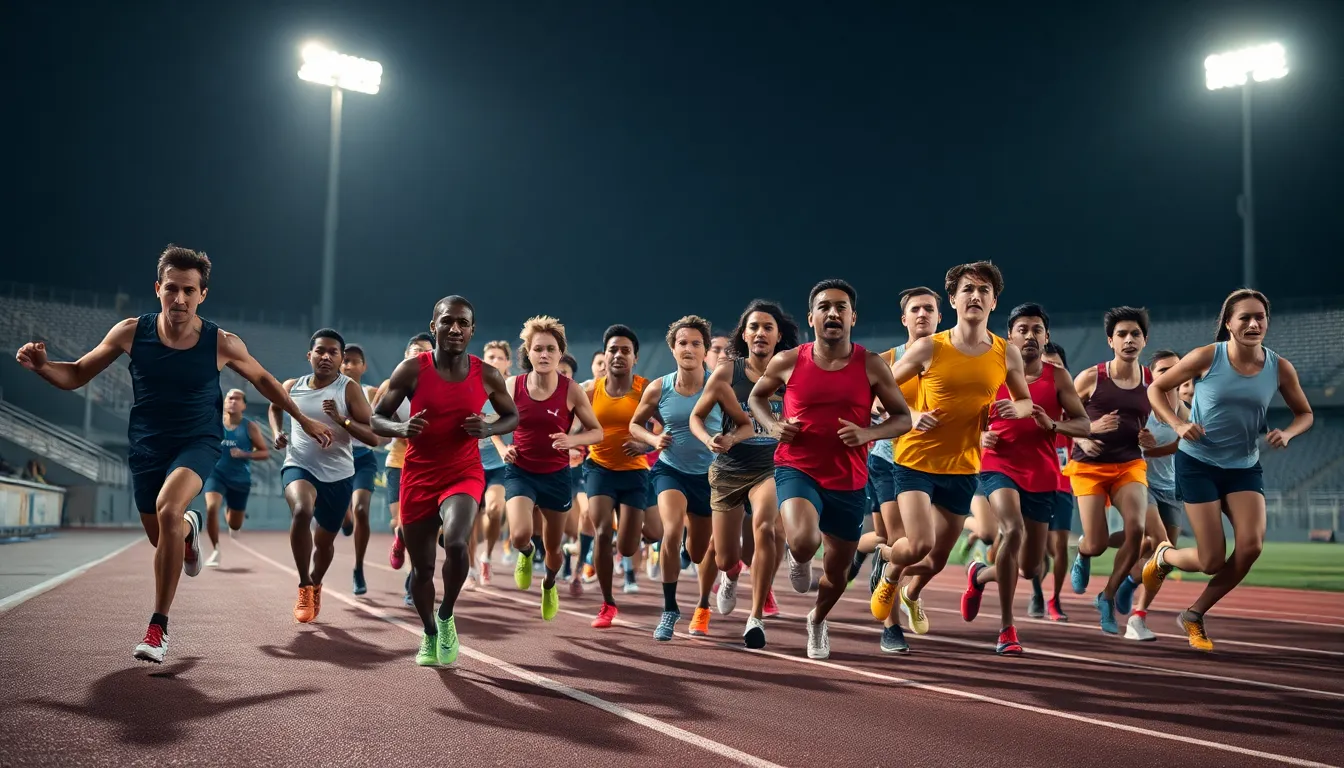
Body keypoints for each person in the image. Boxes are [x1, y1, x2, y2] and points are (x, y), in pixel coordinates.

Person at [14, 245, 332, 663]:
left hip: (198, 440)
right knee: (161, 533)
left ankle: (158, 627)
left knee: (167, 511)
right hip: (146, 445)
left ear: (203, 294)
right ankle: (190, 528)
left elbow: (266, 382)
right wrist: (43, 366)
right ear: (157, 289)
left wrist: (303, 420)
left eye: (188, 290)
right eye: (171, 289)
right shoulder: (130, 332)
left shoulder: (222, 342)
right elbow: (76, 373)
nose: (179, 299)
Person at [749, 279, 912, 659]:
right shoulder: (789, 361)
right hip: (797, 467)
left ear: (853, 317)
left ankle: (818, 619)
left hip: (849, 479)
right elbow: (757, 397)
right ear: (812, 317)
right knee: (805, 539)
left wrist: (869, 432)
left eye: (841, 307)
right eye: (824, 307)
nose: (833, 313)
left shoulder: (871, 365)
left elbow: (902, 418)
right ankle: (799, 552)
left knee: (837, 572)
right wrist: (773, 426)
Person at [1142, 289, 1313, 651]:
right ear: (1228, 324)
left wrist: (1289, 432)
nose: (1253, 323)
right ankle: (1165, 556)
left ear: (1267, 322)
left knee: (1250, 546)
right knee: (1211, 559)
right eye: (1245, 317)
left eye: (1260, 317)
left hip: (1243, 467)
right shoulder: (1208, 356)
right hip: (1198, 463)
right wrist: (1176, 423)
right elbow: (1157, 388)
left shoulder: (1279, 367)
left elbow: (1306, 413)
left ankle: (1194, 614)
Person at [872, 262, 1034, 640]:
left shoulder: (1005, 353)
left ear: (994, 302)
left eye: (983, 290)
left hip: (963, 465)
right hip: (914, 459)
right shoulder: (931, 347)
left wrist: (1017, 408)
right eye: (967, 289)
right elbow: (880, 391)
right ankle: (890, 570)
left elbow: (1025, 401)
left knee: (938, 558)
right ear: (954, 299)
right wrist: (911, 414)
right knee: (918, 544)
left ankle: (911, 593)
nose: (975, 295)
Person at [371, 296, 518, 666]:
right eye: (448, 322)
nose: (455, 329)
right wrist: (401, 427)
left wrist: (488, 428)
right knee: (421, 570)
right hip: (418, 475)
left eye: (463, 323)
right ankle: (429, 632)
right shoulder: (411, 370)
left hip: (463, 471)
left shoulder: (485, 373)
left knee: (455, 543)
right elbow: (377, 419)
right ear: (434, 325)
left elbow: (511, 416)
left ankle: (447, 614)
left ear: (472, 330)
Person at [958, 303, 1096, 654]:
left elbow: (1084, 424)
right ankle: (1006, 628)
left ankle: (979, 574)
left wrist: (1054, 425)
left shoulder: (1058, 377)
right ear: (1010, 336)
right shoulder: (990, 374)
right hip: (998, 463)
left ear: (1046, 337)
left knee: (1030, 567)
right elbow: (961, 417)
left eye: (1037, 329)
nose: (1030, 335)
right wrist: (978, 437)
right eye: (1023, 329)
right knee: (1012, 529)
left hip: (1042, 472)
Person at [691, 299, 799, 648]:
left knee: (766, 528)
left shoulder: (792, 373)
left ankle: (755, 618)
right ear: (745, 334)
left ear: (778, 335)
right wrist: (709, 438)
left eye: (768, 327)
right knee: (725, 556)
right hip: (728, 469)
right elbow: (697, 416)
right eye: (753, 327)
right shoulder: (727, 373)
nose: (760, 333)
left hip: (771, 466)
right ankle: (731, 575)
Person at [270, 329, 379, 623]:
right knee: (302, 511)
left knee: (325, 544)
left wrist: (340, 419)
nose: (326, 357)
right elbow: (274, 405)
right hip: (299, 465)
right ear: (310, 355)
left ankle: (316, 581)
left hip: (339, 475)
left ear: (341, 358)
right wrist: (278, 433)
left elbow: (373, 438)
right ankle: (304, 584)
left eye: (333, 352)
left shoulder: (349, 390)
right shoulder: (292, 386)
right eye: (320, 351)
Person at [500, 316, 603, 620]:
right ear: (528, 353)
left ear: (560, 354)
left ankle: (548, 583)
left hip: (557, 476)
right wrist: (503, 446)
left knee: (554, 550)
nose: (544, 355)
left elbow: (597, 432)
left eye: (551, 349)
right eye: (538, 349)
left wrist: (572, 440)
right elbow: (494, 424)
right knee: (519, 535)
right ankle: (525, 554)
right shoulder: (512, 385)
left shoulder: (572, 390)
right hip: (521, 471)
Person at [630, 315, 726, 641]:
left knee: (698, 552)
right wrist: (654, 441)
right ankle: (669, 609)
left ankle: (687, 553)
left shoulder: (718, 386)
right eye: (682, 343)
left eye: (695, 343)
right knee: (670, 530)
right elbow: (635, 424)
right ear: (673, 349)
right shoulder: (658, 387)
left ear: (705, 349)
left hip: (709, 476)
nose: (688, 348)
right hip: (670, 469)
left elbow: (739, 422)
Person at [1065, 306, 1155, 635]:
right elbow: (1064, 421)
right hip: (1088, 466)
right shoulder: (1092, 377)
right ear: (1110, 341)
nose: (1129, 340)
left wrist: (1151, 437)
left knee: (1137, 530)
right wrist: (1088, 430)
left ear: (1144, 341)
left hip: (1129, 463)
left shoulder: (1152, 381)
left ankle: (1107, 596)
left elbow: (1166, 420)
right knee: (1099, 542)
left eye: (1135, 334)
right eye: (1122, 335)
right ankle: (1083, 553)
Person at [584, 325, 663, 629]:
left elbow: (665, 428)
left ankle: (637, 540)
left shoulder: (646, 390)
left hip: (634, 473)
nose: (618, 355)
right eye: (613, 350)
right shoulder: (591, 389)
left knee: (630, 546)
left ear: (635, 358)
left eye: (625, 351)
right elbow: (569, 422)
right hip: (599, 469)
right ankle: (607, 604)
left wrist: (645, 444)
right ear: (605, 355)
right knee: (603, 532)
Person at [379, 333, 435, 606]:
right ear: (405, 355)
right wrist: (397, 429)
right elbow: (375, 422)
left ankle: (413, 583)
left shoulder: (442, 386)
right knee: (403, 523)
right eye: (414, 351)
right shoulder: (392, 385)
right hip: (399, 461)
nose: (419, 355)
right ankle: (400, 538)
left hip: (431, 465)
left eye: (425, 352)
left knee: (422, 529)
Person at [203, 388, 269, 567]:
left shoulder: (249, 427)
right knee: (211, 508)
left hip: (240, 479)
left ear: (244, 405)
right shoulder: (214, 423)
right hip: (216, 475)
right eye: (230, 398)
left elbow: (264, 452)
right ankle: (215, 549)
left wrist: (244, 454)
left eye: (237, 399)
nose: (233, 401)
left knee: (235, 524)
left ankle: (231, 518)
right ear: (224, 403)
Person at [338, 343, 384, 595]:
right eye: (345, 360)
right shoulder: (330, 390)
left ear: (363, 367)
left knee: (361, 509)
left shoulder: (372, 392)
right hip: (336, 460)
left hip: (364, 458)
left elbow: (382, 421)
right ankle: (345, 518)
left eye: (355, 361)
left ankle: (358, 568)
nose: (349, 365)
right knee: (344, 514)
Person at [1040, 342, 1075, 622]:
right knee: (1035, 551)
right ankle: (1035, 590)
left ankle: (1054, 598)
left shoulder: (1072, 400)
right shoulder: (1027, 398)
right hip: (1032, 481)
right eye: (1045, 365)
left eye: (1056, 365)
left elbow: (1089, 427)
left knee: (1060, 546)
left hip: (1062, 482)